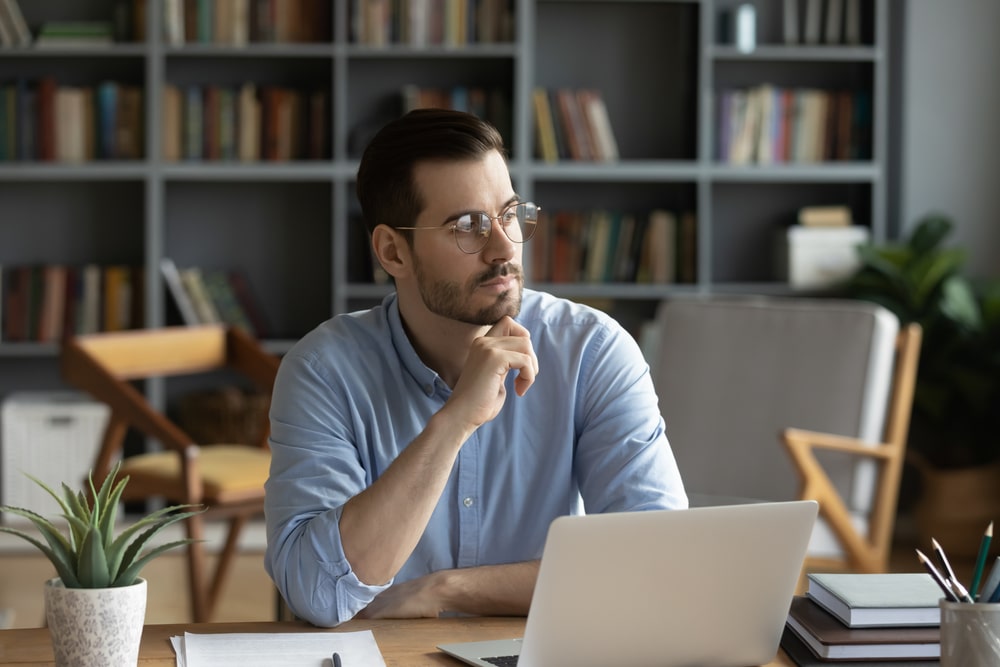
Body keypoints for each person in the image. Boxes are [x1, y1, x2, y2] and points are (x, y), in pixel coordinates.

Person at [264, 108, 687, 628]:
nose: (505, 246)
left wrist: (447, 589)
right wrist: (455, 420)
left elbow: (659, 564)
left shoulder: (592, 352)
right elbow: (318, 594)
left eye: (510, 214)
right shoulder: (322, 371)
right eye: (467, 226)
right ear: (393, 251)